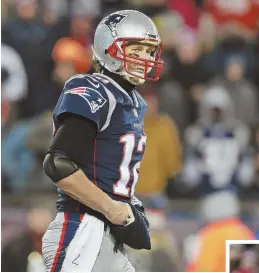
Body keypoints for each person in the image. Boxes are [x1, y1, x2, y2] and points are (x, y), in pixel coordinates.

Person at [42, 10, 163, 271]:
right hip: (81, 230)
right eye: (136, 49)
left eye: (149, 51)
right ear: (108, 49)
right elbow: (58, 163)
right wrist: (111, 208)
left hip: (107, 235)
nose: (145, 58)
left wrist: (132, 209)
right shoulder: (94, 89)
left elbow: (109, 172)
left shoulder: (133, 102)